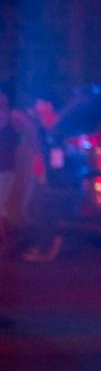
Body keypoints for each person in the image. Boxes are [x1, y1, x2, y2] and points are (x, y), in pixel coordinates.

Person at [0, 87, 38, 256]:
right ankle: (10, 241)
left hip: (6, 170)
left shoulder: (10, 120)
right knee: (4, 209)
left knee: (3, 209)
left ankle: (9, 242)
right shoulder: (11, 120)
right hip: (7, 169)